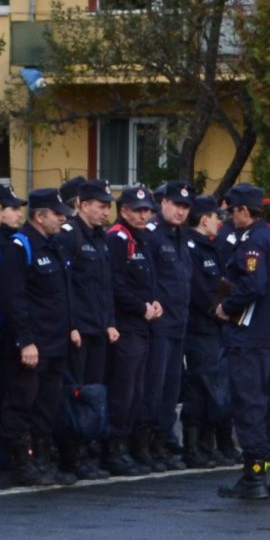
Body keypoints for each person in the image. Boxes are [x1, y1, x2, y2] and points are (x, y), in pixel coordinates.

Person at [216, 183, 270, 500]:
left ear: (244, 211)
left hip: (251, 338)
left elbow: (254, 285)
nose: (230, 218)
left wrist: (226, 307)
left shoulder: (253, 242)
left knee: (249, 404)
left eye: (233, 212)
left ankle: (255, 475)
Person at [0, 188, 77, 485]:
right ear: (40, 216)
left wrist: (71, 327)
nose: (62, 219)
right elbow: (14, 298)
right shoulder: (20, 246)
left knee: (48, 403)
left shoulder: (56, 245)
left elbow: (63, 294)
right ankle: (21, 463)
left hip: (56, 342)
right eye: (57, 214)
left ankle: (42, 459)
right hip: (33, 343)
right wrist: (25, 341)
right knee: (22, 403)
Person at [103, 188, 164, 476]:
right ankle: (113, 448)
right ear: (124, 210)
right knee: (123, 391)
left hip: (142, 325)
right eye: (138, 210)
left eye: (147, 210)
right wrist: (141, 307)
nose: (144, 215)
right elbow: (116, 284)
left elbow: (147, 280)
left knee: (137, 391)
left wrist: (154, 301)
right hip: (126, 325)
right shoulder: (118, 238)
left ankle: (126, 445)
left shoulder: (141, 238)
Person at [61, 179, 118, 479]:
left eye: (108, 207)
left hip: (98, 328)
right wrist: (71, 325)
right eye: (101, 206)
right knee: (77, 393)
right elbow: (66, 286)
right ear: (83, 205)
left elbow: (105, 286)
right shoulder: (70, 235)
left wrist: (110, 322)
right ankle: (73, 454)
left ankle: (90, 450)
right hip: (79, 330)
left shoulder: (100, 238)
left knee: (95, 393)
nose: (106, 212)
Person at [144, 182, 199, 469]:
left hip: (179, 323)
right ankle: (148, 444)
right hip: (159, 325)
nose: (181, 211)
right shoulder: (152, 234)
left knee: (170, 389)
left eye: (185, 207)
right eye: (177, 204)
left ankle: (163, 441)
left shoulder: (181, 236)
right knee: (154, 387)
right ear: (163, 202)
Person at [180, 195, 233, 465]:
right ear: (204, 220)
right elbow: (200, 291)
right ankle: (194, 447)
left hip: (215, 328)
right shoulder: (192, 248)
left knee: (214, 388)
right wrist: (220, 309)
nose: (219, 223)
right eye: (215, 218)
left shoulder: (210, 247)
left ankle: (208, 444)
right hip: (201, 328)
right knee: (200, 388)